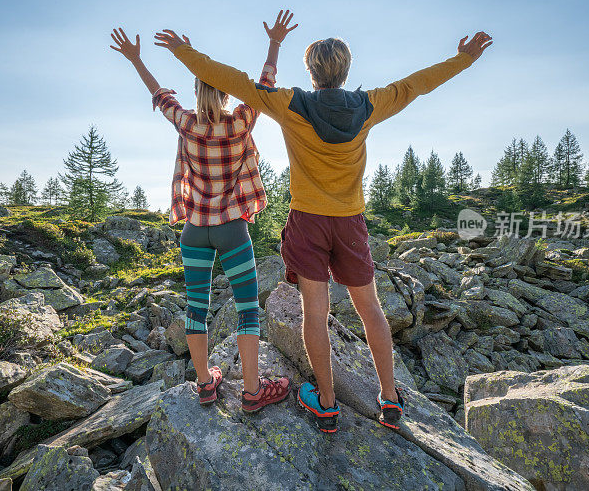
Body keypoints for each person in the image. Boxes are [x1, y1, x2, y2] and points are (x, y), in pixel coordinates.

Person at [154, 25, 492, 432]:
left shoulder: (291, 104)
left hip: (308, 222)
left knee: (314, 314)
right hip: (350, 221)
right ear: (345, 70)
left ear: (312, 72)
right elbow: (417, 84)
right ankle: (389, 399)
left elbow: (230, 80)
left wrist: (182, 53)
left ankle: (327, 404)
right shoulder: (369, 105)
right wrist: (465, 59)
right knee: (371, 310)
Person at [110, 10, 299, 412]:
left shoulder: (186, 124)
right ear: (227, 95)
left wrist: (135, 59)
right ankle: (252, 392)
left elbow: (159, 93)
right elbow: (265, 85)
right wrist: (275, 42)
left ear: (196, 94)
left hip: (194, 230)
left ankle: (205, 385)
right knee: (247, 309)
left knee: (196, 307)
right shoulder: (240, 123)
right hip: (232, 228)